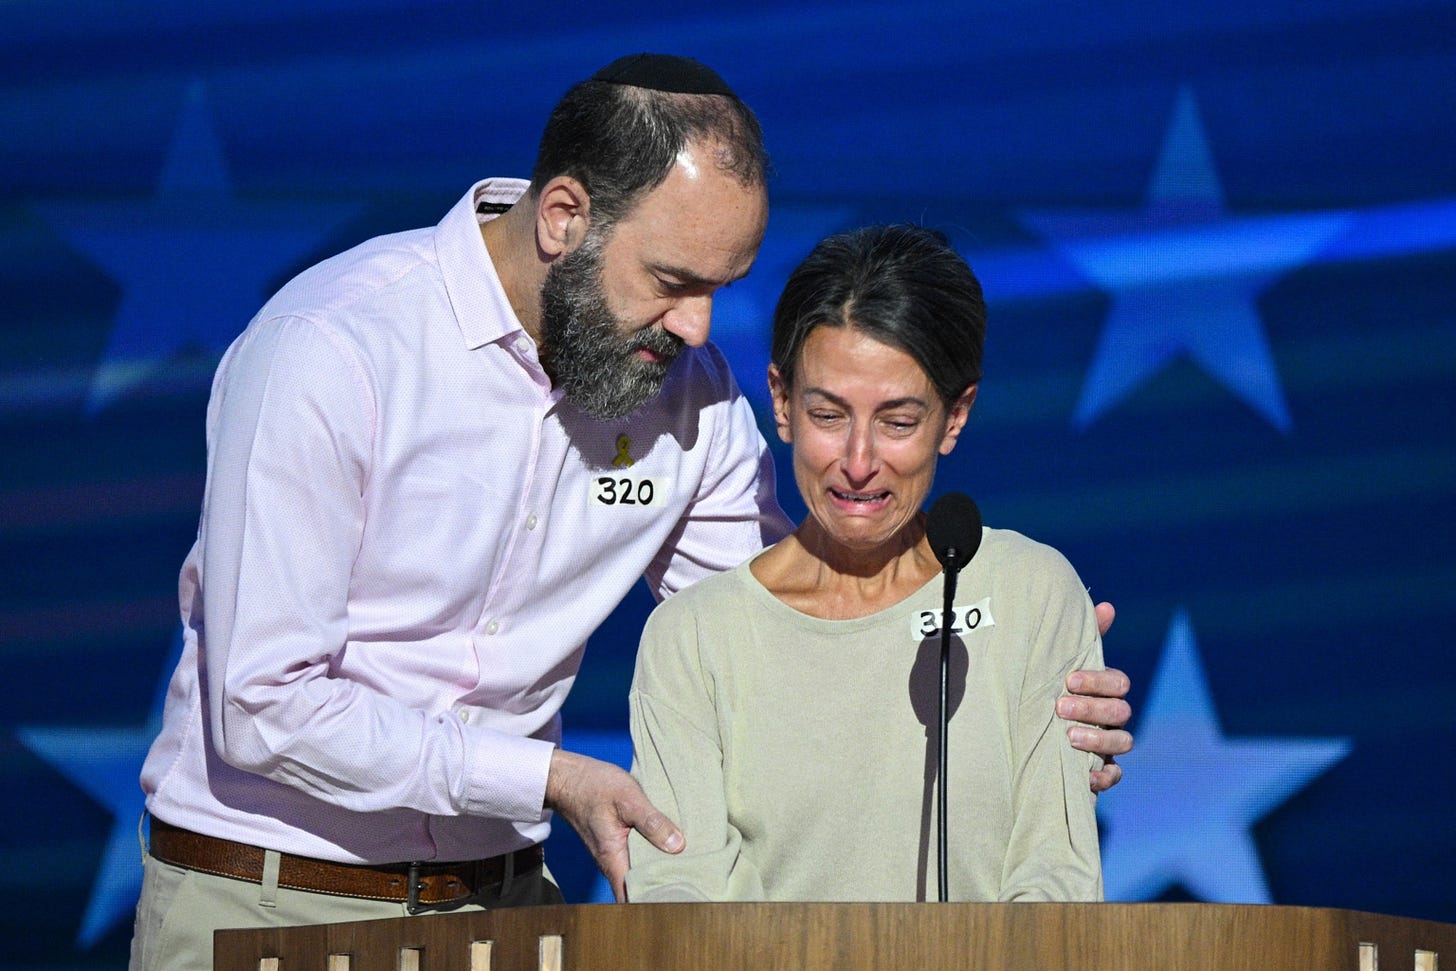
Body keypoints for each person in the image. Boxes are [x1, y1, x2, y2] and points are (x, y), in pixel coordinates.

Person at [130, 55, 1129, 969]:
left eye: (720, 288)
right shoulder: (332, 349)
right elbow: (264, 705)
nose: (697, 329)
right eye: (671, 282)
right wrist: (545, 777)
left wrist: (1007, 692)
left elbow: (779, 651)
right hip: (272, 904)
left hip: (505, 910)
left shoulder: (687, 391)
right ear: (564, 215)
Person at [626, 224, 1103, 902]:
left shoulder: (1032, 595)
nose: (857, 461)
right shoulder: (693, 637)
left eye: (899, 421)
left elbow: (1055, 883)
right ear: (782, 401)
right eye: (828, 414)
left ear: (956, 415)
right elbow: (679, 902)